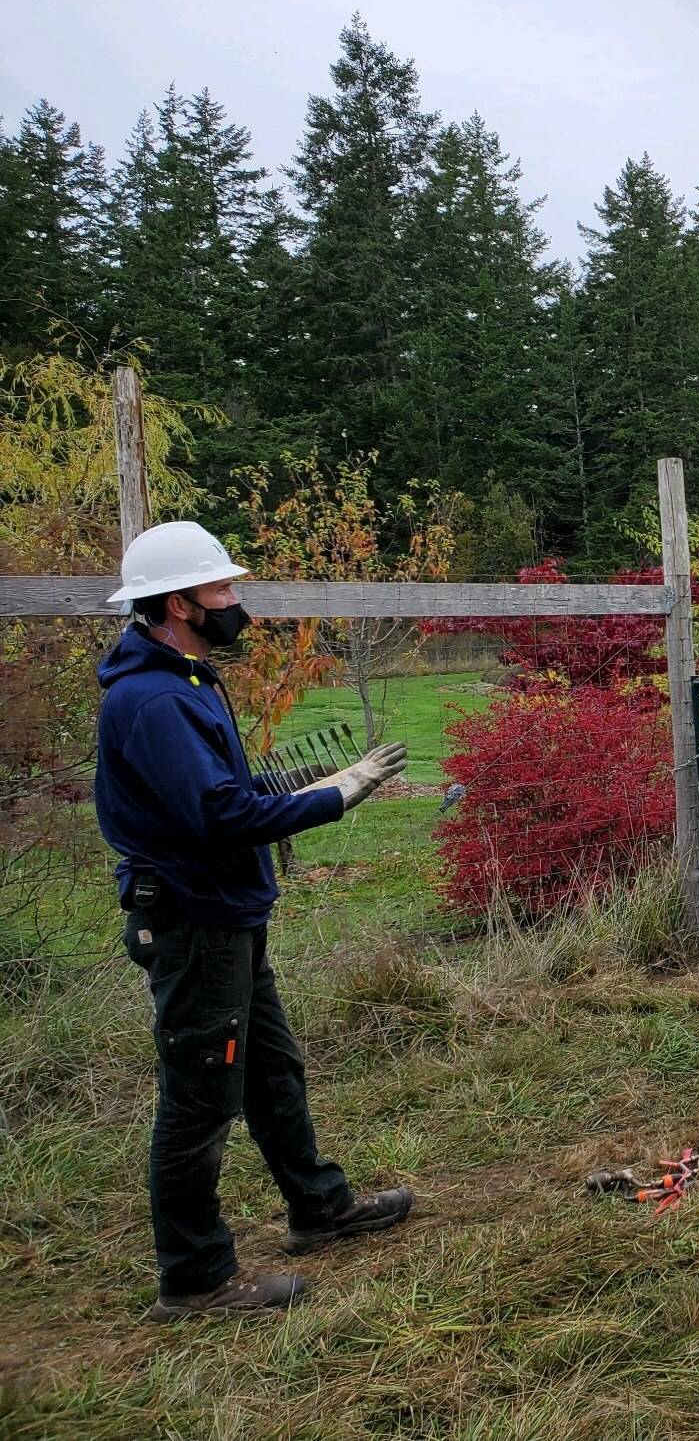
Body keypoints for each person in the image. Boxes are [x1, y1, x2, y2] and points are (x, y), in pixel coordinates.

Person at [95, 521, 416, 1321]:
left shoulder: (191, 678)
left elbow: (223, 796)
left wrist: (320, 784)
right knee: (201, 1098)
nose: (236, 603)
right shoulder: (155, 698)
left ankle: (319, 1206)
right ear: (178, 603)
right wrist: (336, 796)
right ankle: (197, 1276)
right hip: (195, 922)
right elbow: (220, 815)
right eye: (221, 590)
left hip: (230, 912)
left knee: (272, 1069)